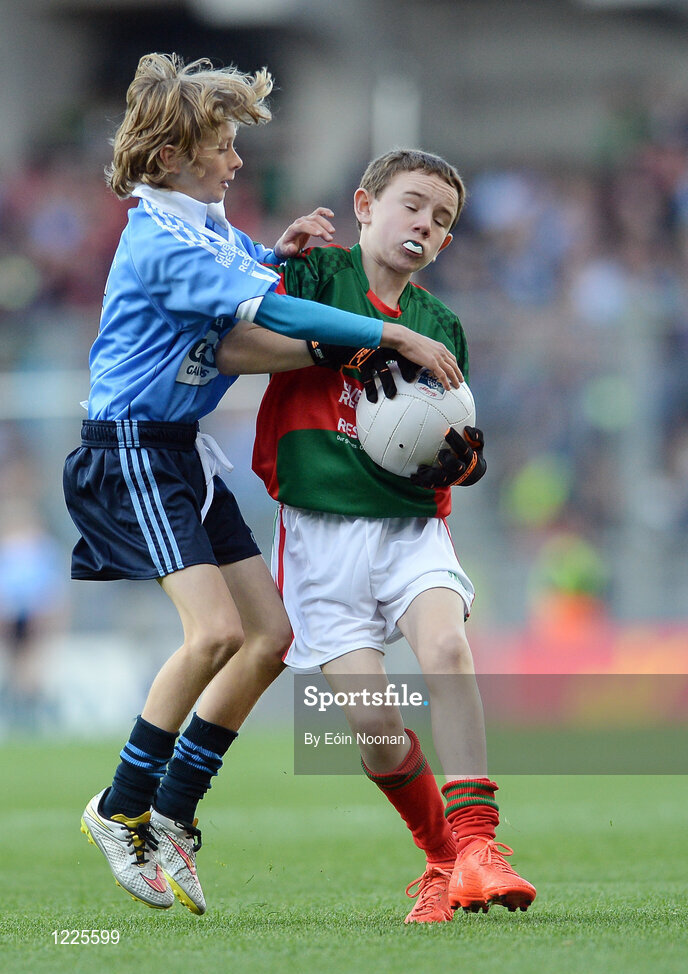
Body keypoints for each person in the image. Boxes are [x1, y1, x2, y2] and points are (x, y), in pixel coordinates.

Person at [62, 56, 460, 916]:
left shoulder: (202, 224)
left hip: (180, 447)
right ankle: (121, 807)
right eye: (224, 146)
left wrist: (277, 253)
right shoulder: (162, 239)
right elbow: (274, 314)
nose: (238, 162)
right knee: (211, 635)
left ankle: (171, 813)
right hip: (131, 445)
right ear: (172, 157)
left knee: (270, 637)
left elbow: (265, 280)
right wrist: (385, 339)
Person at [215, 148, 536, 923]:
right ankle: (439, 859)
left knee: (449, 650)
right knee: (373, 724)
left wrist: (468, 465)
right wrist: (365, 342)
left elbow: (448, 435)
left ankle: (480, 844)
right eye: (412, 204)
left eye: (442, 219)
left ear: (448, 242)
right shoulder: (315, 278)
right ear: (365, 205)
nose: (424, 223)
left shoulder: (441, 323)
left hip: (409, 528)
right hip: (320, 540)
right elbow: (232, 349)